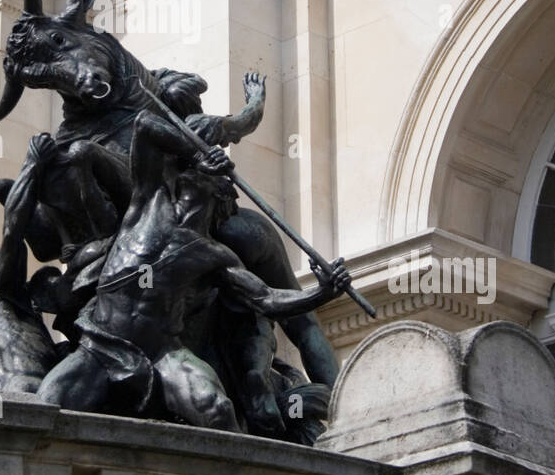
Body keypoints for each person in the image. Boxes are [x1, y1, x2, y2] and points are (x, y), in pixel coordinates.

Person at [36, 108, 349, 431]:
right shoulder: (148, 203)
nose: (184, 173)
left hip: (162, 355)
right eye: (186, 167)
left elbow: (268, 299)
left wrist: (323, 292)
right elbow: (144, 124)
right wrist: (197, 151)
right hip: (101, 346)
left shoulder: (214, 255)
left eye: (198, 172)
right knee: (47, 402)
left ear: (220, 193)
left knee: (215, 408)